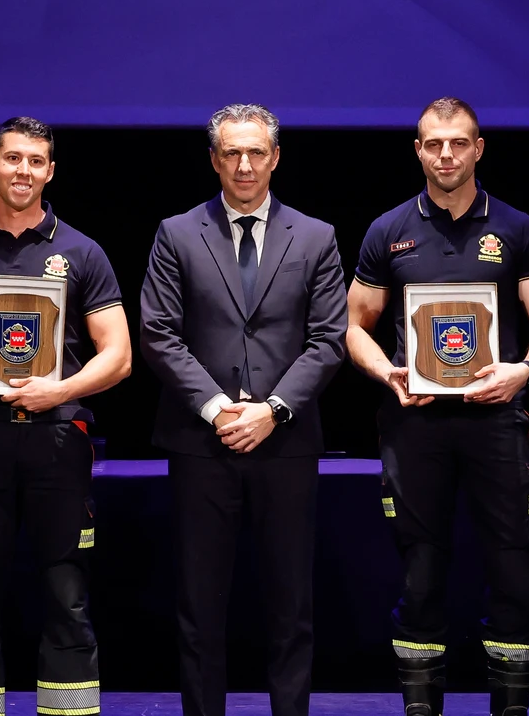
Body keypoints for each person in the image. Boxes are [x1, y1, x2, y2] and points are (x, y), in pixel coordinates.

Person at [344, 98, 529, 716]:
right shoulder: (388, 230)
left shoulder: (517, 229)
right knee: (421, 575)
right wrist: (386, 370)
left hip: (496, 423)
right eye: (434, 143)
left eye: (458, 143)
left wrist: (524, 371)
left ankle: (511, 707)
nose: (446, 155)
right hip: (415, 425)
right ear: (418, 149)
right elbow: (354, 325)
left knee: (516, 571)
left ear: (478, 148)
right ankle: (420, 708)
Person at [0, 117, 130, 716]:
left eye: (36, 161)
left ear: (50, 171)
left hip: (58, 436)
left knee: (66, 592)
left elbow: (119, 357)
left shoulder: (81, 251)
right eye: (13, 159)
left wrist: (57, 391)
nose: (23, 171)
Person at [139, 103, 347, 716]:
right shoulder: (177, 233)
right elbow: (158, 333)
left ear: (275, 157)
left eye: (256, 152)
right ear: (214, 159)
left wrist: (273, 409)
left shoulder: (316, 236)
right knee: (200, 606)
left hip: (286, 444)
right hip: (203, 444)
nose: (244, 164)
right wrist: (217, 409)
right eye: (231, 152)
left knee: (291, 606)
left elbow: (329, 338)